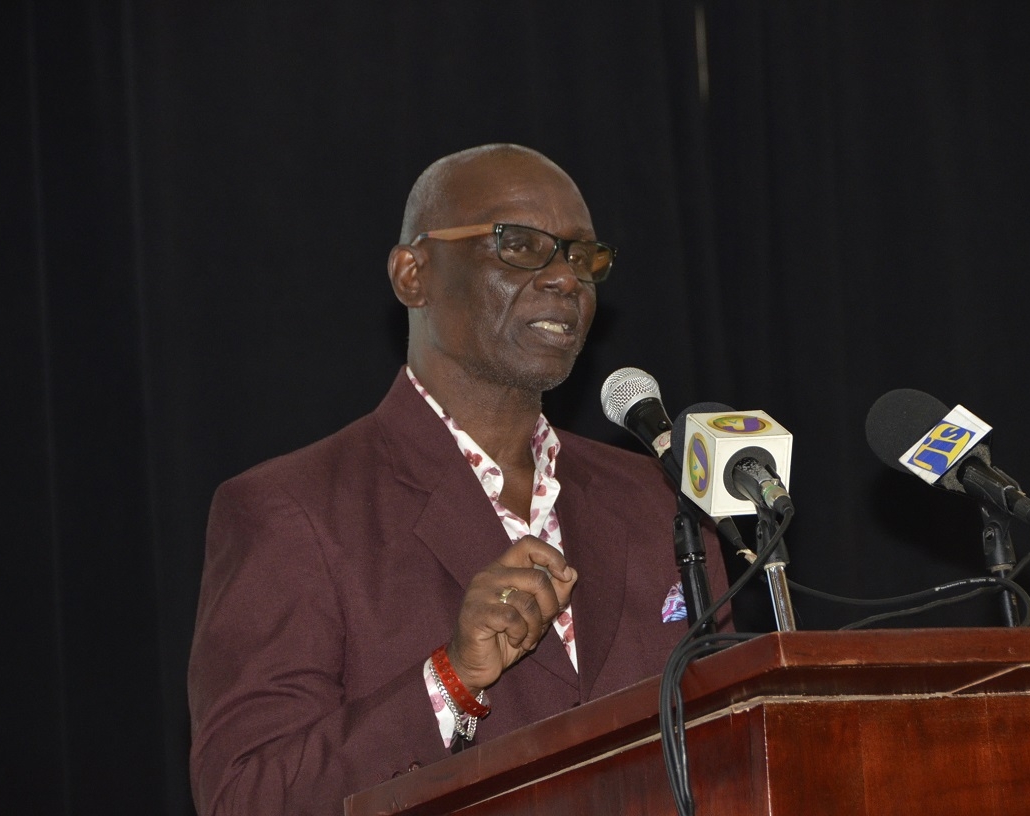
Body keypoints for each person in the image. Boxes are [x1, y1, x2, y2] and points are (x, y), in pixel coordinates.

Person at [187, 144, 730, 815]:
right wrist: (449, 681)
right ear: (413, 274)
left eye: (582, 256)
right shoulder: (291, 510)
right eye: (520, 245)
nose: (566, 278)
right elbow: (247, 797)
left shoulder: (659, 500)